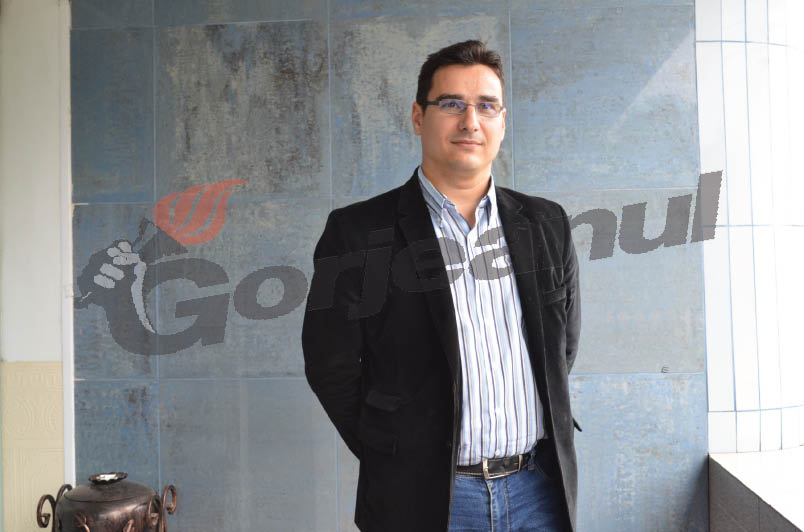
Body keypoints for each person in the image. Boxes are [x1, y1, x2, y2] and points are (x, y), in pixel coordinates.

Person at [302, 40, 581, 532]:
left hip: (539, 495)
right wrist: (393, 454)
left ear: (502, 121)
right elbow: (331, 365)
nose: (470, 121)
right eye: (452, 104)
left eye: (486, 106)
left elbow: (562, 349)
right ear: (418, 116)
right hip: (425, 500)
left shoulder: (546, 223)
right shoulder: (357, 233)